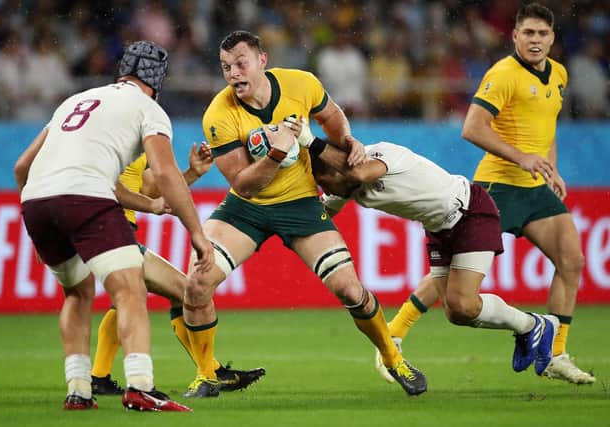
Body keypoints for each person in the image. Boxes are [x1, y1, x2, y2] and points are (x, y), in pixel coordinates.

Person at [181, 30, 426, 398]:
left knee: (349, 289)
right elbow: (244, 184)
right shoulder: (218, 114)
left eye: (241, 63)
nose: (233, 73)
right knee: (196, 285)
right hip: (246, 209)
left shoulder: (301, 83)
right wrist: (277, 153)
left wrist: (347, 140)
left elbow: (331, 115)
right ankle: (206, 373)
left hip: (301, 204)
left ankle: (392, 356)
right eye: (226, 67)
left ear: (263, 60)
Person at [384, 2, 595, 385]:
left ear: (552, 38)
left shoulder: (559, 75)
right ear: (515, 36)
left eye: (542, 34)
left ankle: (555, 354)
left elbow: (544, 129)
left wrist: (551, 168)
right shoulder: (503, 75)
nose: (535, 40)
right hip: (497, 188)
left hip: (534, 190)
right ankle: (392, 335)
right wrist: (521, 157)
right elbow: (472, 127)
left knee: (572, 261)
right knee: (450, 279)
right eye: (528, 33)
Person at [13, 40, 214, 412]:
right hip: (87, 200)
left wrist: (39, 215)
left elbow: (22, 167)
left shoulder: (75, 101)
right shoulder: (147, 108)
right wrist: (198, 234)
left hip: (38, 203)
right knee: (129, 291)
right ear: (156, 80)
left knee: (76, 295)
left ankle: (78, 389)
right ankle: (141, 387)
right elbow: (165, 172)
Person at [299, 125, 558, 383]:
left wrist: (310, 141)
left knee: (464, 304)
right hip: (439, 228)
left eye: (324, 183)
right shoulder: (345, 185)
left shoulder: (380, 155)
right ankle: (531, 327)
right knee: (456, 314)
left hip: (470, 211)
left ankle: (535, 326)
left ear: (336, 168)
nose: (327, 191)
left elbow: (361, 173)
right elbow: (318, 215)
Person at [91, 144, 266, 395]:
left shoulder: (131, 140)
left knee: (150, 294)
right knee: (181, 290)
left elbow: (148, 188)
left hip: (114, 231)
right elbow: (109, 188)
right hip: (109, 228)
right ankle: (210, 372)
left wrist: (192, 174)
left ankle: (99, 377)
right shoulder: (115, 136)